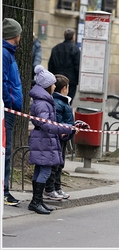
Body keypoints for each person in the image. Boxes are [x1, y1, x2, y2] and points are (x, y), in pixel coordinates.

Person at [28, 65, 73, 214]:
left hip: (43, 139)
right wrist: (66, 128)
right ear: (47, 86)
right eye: (53, 84)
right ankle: (36, 201)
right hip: (44, 139)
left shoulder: (44, 100)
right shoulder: (43, 103)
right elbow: (47, 124)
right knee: (45, 170)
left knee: (40, 169)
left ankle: (37, 201)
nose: (55, 86)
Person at [44, 74, 84, 201]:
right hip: (58, 138)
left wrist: (73, 127)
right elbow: (58, 121)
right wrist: (66, 130)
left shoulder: (63, 102)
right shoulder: (58, 103)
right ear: (65, 88)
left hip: (64, 137)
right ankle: (50, 189)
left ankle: (57, 187)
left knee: (60, 164)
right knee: (55, 165)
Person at [2, 18, 23, 206]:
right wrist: (8, 103)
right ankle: (4, 191)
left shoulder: (8, 52)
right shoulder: (4, 53)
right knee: (5, 151)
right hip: (6, 110)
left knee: (5, 150)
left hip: (9, 109)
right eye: (19, 33)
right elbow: (3, 82)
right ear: (14, 35)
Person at [48, 28, 80, 104]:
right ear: (73, 37)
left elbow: (51, 65)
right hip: (70, 81)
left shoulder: (56, 48)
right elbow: (77, 66)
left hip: (57, 79)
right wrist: (78, 80)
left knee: (56, 100)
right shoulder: (75, 49)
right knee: (68, 101)